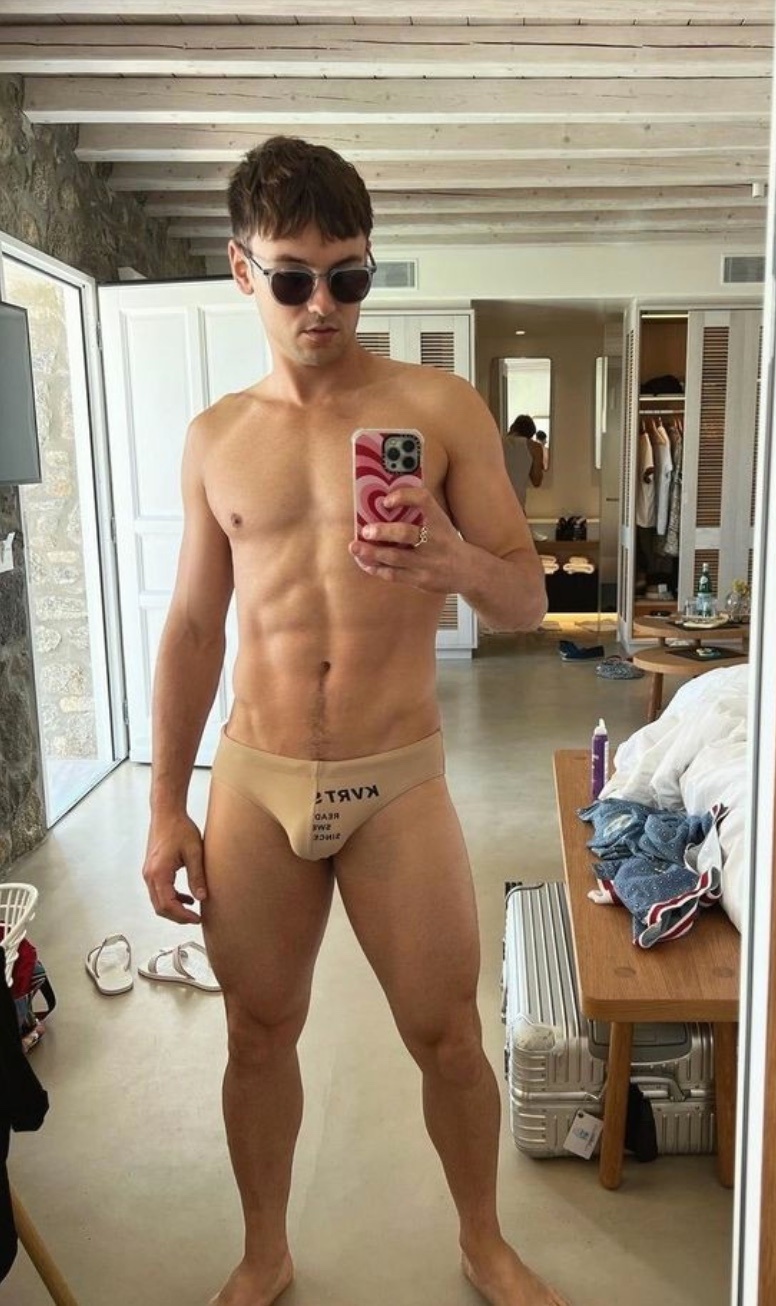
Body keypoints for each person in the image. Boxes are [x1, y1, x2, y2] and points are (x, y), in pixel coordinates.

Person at [140, 136, 566, 1306]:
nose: (322, 304)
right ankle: (264, 1250)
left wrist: (454, 559)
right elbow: (193, 627)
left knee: (447, 1035)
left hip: (397, 778)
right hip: (257, 776)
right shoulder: (216, 438)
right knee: (257, 1032)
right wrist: (166, 804)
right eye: (292, 278)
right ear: (243, 270)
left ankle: (481, 1241)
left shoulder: (438, 408)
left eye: (349, 276)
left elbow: (528, 598)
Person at [501, 413, 544, 508]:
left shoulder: (497, 442)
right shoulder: (534, 447)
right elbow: (537, 481)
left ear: (512, 427)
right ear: (530, 434)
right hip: (517, 505)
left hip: (494, 503)